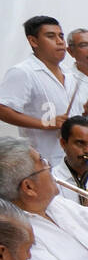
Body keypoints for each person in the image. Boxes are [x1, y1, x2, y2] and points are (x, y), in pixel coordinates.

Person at [0, 16, 71, 165]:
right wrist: (45, 123)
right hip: (46, 162)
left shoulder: (69, 73)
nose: (60, 41)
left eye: (61, 36)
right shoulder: (23, 72)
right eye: (51, 36)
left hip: (75, 159)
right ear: (33, 41)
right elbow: (3, 110)